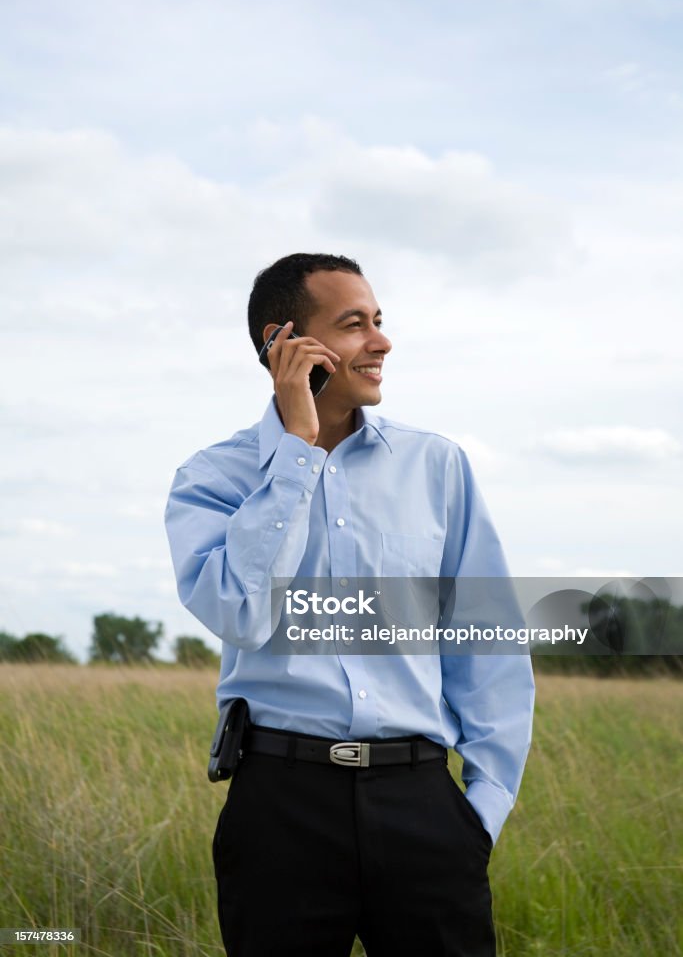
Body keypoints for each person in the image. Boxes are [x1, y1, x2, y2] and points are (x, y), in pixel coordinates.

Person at [164, 253, 535, 957]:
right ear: (284, 346)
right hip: (278, 811)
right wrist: (297, 453)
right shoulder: (212, 478)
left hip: (423, 806)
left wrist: (478, 813)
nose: (381, 341)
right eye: (354, 324)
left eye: (379, 321)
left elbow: (485, 643)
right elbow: (240, 611)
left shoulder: (437, 468)